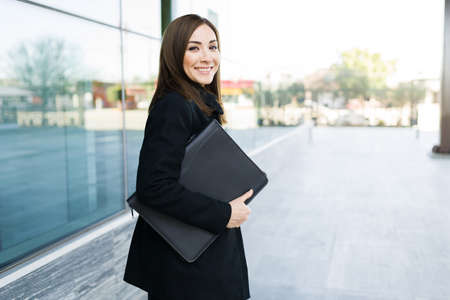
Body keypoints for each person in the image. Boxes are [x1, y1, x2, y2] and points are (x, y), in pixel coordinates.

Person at [123, 14, 253, 300]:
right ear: (174, 54)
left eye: (212, 46)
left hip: (200, 254)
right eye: (193, 48)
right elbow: (154, 186)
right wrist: (224, 213)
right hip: (187, 269)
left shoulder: (197, 101)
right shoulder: (174, 106)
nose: (207, 57)